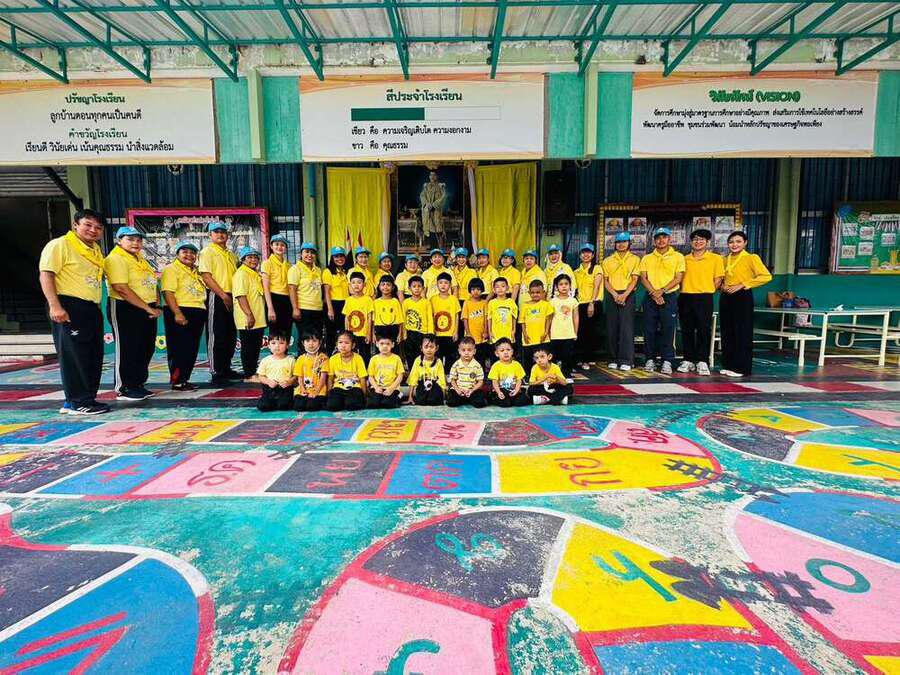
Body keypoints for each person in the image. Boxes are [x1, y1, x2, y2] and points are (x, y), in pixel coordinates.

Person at [38, 208, 109, 415]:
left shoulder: (95, 250)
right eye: (88, 225)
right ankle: (79, 402)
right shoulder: (60, 245)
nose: (93, 230)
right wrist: (55, 305)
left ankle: (83, 399)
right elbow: (46, 274)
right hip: (68, 305)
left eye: (98, 227)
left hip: (90, 307)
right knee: (75, 356)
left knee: (92, 355)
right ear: (75, 225)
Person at [104, 226, 160, 400]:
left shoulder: (140, 258)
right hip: (125, 307)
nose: (135, 243)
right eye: (130, 239)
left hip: (147, 307)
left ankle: (137, 384)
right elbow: (121, 288)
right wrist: (147, 308)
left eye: (138, 240)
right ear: (119, 240)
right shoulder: (115, 258)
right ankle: (124, 387)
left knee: (145, 347)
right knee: (128, 348)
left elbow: (152, 282)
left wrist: (155, 304)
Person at [719, 231, 772, 378]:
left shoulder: (751, 258)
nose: (734, 245)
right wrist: (722, 286)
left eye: (738, 241)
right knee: (727, 330)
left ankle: (741, 368)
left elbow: (766, 276)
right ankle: (728, 365)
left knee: (742, 331)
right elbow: (720, 277)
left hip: (742, 296)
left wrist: (743, 284)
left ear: (745, 243)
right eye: (731, 242)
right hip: (726, 296)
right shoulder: (724, 259)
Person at [161, 241, 207, 391]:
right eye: (185, 252)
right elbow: (168, 292)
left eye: (192, 253)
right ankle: (177, 381)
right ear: (177, 254)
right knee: (178, 348)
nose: (189, 255)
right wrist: (177, 313)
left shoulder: (196, 271)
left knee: (191, 348)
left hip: (197, 310)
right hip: (181, 310)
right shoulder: (171, 269)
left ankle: (185, 379)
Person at [678, 229, 724, 376]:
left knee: (704, 330)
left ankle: (702, 361)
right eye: (695, 239)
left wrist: (708, 290)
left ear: (707, 242)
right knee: (687, 330)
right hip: (685, 297)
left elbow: (718, 279)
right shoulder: (684, 259)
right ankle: (688, 360)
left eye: (702, 239)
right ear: (691, 242)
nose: (698, 242)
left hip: (704, 297)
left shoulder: (716, 259)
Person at [639, 227, 685, 374]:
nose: (661, 240)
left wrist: (662, 291)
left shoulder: (678, 257)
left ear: (669, 239)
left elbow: (678, 278)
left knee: (668, 329)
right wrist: (654, 293)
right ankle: (650, 359)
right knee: (649, 330)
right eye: (658, 237)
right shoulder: (647, 258)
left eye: (664, 237)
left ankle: (667, 361)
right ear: (654, 241)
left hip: (669, 296)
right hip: (650, 296)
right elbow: (643, 278)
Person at [199, 221, 240, 384]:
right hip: (216, 296)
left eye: (223, 232)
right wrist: (223, 295)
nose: (220, 234)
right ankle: (216, 371)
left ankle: (226, 368)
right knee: (217, 334)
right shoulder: (207, 252)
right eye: (216, 232)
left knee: (230, 335)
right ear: (210, 235)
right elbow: (206, 276)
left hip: (232, 296)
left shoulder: (231, 254)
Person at [602, 232, 641, 371]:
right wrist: (614, 294)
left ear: (629, 243)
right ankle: (612, 358)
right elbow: (605, 280)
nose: (621, 244)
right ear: (615, 244)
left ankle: (626, 360)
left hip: (628, 294)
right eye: (618, 242)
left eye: (624, 241)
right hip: (612, 294)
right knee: (611, 327)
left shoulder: (635, 259)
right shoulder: (607, 260)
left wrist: (624, 295)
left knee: (626, 328)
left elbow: (635, 279)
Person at [232, 246, 266, 380]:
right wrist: (249, 315)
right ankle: (248, 374)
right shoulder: (241, 274)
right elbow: (241, 296)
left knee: (255, 346)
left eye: (255, 257)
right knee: (248, 347)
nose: (253, 260)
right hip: (248, 317)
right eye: (249, 257)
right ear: (243, 259)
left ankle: (252, 372)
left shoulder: (254, 273)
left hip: (258, 317)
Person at [288, 241, 323, 349]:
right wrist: (295, 309)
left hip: (318, 309)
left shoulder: (318, 270)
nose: (309, 255)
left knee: (317, 338)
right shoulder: (295, 269)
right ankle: (302, 358)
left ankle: (316, 359)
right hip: (304, 309)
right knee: (305, 339)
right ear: (301, 254)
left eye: (312, 252)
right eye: (306, 252)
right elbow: (292, 289)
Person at [573, 243, 603, 370]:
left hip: (593, 304)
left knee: (591, 332)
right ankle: (582, 359)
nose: (586, 255)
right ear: (580, 255)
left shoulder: (597, 268)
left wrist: (591, 303)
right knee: (581, 332)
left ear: (593, 254)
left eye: (588, 252)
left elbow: (596, 286)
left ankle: (588, 359)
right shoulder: (576, 271)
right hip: (580, 304)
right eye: (583, 252)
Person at [326, 331, 368, 411]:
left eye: (347, 343)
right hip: (338, 387)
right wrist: (329, 394)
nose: (343, 345)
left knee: (352, 405)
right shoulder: (333, 359)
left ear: (353, 345)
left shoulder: (358, 358)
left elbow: (362, 378)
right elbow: (330, 378)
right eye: (340, 342)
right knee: (332, 406)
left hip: (354, 388)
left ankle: (347, 401)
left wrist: (364, 395)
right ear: (336, 344)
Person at [255, 331, 296, 412]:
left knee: (284, 406)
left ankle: (281, 401)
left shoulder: (291, 360)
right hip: (270, 388)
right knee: (264, 406)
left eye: (281, 343)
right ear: (269, 345)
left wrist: (289, 382)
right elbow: (261, 376)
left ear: (287, 345)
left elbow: (296, 376)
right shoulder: (265, 360)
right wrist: (268, 382)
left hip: (285, 388)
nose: (277, 346)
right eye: (273, 343)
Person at [261, 234, 292, 334]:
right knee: (275, 334)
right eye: (277, 244)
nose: (279, 247)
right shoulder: (267, 263)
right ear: (271, 246)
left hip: (287, 300)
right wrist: (270, 308)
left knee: (286, 333)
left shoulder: (289, 266)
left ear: (286, 248)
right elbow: (265, 288)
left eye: (282, 245)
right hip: (274, 300)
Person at [519, 279, 553, 368]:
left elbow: (548, 320)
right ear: (529, 293)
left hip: (542, 338)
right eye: (532, 292)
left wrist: (546, 332)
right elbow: (522, 321)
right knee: (528, 360)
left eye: (538, 292)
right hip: (529, 338)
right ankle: (529, 374)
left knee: (542, 359)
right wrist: (525, 334)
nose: (535, 294)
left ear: (543, 292)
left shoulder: (546, 304)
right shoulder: (524, 305)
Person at [550, 274, 579, 379]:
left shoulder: (573, 301)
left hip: (568, 333)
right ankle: (553, 375)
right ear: (556, 287)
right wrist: (548, 332)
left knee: (567, 355)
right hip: (555, 334)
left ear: (570, 286)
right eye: (561, 284)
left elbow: (575, 317)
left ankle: (566, 374)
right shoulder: (552, 301)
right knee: (554, 356)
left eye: (566, 284)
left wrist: (575, 332)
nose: (564, 286)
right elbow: (549, 318)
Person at [401, 275, 432, 369]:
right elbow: (403, 319)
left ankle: (421, 373)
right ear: (409, 288)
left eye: (419, 286)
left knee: (421, 355)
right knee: (410, 354)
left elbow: (430, 318)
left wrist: (430, 334)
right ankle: (411, 373)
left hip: (422, 333)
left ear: (423, 288)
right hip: (409, 333)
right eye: (414, 286)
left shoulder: (426, 302)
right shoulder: (406, 302)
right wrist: (403, 334)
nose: (417, 288)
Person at [366, 333, 405, 408]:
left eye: (388, 344)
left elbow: (400, 376)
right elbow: (370, 376)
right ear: (377, 344)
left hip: (392, 388)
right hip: (377, 387)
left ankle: (399, 395)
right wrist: (376, 387)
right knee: (372, 404)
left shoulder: (396, 358)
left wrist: (391, 388)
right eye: (382, 343)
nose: (384, 346)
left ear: (392, 345)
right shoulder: (374, 359)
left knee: (387, 404)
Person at [343, 271, 374, 365]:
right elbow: (346, 317)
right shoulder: (348, 300)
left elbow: (370, 318)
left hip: (363, 334)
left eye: (359, 282)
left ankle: (365, 372)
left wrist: (369, 334)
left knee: (365, 355)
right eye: (353, 282)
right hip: (352, 334)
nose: (356, 285)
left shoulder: (368, 299)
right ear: (350, 285)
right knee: (352, 354)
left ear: (364, 285)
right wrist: (346, 334)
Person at [322, 246, 349, 353]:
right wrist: (330, 309)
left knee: (344, 332)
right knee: (331, 333)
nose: (339, 259)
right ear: (332, 258)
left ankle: (344, 354)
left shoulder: (346, 271)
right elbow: (326, 292)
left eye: (341, 256)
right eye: (336, 257)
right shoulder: (328, 271)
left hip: (345, 305)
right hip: (333, 304)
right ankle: (330, 355)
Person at [447, 337, 487, 408]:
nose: (466, 353)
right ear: (459, 351)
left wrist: (472, 390)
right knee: (451, 402)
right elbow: (452, 380)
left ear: (474, 351)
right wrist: (457, 390)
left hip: (472, 390)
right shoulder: (456, 364)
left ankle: (467, 399)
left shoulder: (477, 365)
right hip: (459, 389)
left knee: (480, 402)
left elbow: (480, 381)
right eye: (463, 350)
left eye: (469, 350)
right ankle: (464, 399)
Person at [293, 332, 328, 411]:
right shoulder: (300, 358)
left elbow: (323, 377)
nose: (311, 344)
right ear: (303, 343)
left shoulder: (323, 358)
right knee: (298, 407)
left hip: (319, 390)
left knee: (311, 407)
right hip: (303, 389)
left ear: (320, 342)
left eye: (314, 341)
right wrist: (302, 389)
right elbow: (299, 376)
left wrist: (316, 392)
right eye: (307, 341)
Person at [488, 338, 528, 407]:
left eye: (508, 350)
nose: (506, 352)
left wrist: (516, 391)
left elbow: (519, 380)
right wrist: (499, 392)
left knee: (522, 401)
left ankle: (512, 400)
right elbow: (494, 382)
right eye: (502, 350)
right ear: (497, 353)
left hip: (514, 390)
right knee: (505, 403)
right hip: (501, 390)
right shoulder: (495, 366)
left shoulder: (517, 365)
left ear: (512, 351)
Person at [430, 271, 460, 364]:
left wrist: (456, 331)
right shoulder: (432, 299)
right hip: (437, 334)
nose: (443, 285)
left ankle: (448, 372)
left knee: (450, 357)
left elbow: (457, 315)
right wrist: (431, 331)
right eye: (441, 283)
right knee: (437, 357)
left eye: (446, 283)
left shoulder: (454, 299)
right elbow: (430, 316)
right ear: (437, 285)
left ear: (450, 285)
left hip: (450, 334)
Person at [407, 334, 445, 405]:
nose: (429, 350)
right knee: (420, 401)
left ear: (436, 348)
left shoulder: (438, 361)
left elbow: (442, 380)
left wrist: (442, 396)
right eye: (426, 347)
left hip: (434, 385)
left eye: (431, 347)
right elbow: (413, 378)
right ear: (421, 348)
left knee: (433, 401)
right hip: (422, 385)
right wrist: (410, 397)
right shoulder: (418, 360)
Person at [462, 278, 490, 369]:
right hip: (471, 335)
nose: (476, 292)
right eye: (473, 289)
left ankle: (481, 373)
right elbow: (465, 318)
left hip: (481, 336)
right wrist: (468, 333)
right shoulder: (467, 303)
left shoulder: (484, 303)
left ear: (482, 290)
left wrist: (486, 331)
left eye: (478, 289)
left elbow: (486, 318)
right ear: (470, 290)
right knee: (470, 356)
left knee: (481, 357)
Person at [486, 277, 518, 344]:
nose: (500, 289)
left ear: (507, 288)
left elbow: (514, 317)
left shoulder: (511, 302)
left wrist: (514, 330)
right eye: (497, 287)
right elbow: (489, 318)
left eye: (503, 286)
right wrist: (490, 332)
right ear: (494, 289)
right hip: (496, 334)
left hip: (508, 333)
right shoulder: (491, 303)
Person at [420, 171, 446, 249]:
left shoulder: (440, 186)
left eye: (434, 175)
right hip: (428, 211)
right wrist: (427, 204)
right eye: (431, 175)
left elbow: (443, 197)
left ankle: (439, 246)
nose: (432, 177)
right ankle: (430, 246)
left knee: (438, 228)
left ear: (437, 176)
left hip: (436, 211)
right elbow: (422, 196)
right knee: (429, 229)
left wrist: (434, 205)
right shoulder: (426, 186)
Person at [374, 274, 403, 343]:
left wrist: (400, 334)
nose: (385, 287)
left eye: (388, 285)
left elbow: (400, 320)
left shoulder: (395, 301)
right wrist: (373, 334)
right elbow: (373, 320)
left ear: (393, 287)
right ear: (379, 287)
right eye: (383, 284)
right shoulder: (376, 302)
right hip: (379, 330)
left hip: (393, 330)